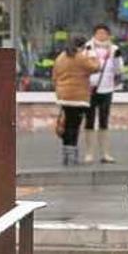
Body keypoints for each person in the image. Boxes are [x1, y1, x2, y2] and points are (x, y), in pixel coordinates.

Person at [52, 36, 100, 166]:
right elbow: (96, 67)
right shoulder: (80, 57)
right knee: (74, 126)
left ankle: (66, 155)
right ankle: (72, 156)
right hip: (78, 97)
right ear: (81, 46)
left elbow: (54, 76)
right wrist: (92, 55)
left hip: (63, 96)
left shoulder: (60, 57)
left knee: (67, 125)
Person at [84, 24, 125, 163]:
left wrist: (117, 59)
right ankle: (89, 153)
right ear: (94, 34)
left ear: (108, 35)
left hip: (106, 88)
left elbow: (119, 70)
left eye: (104, 33)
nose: (101, 35)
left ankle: (105, 154)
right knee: (89, 120)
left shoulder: (114, 49)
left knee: (104, 120)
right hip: (90, 89)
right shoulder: (87, 47)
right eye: (98, 33)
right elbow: (82, 66)